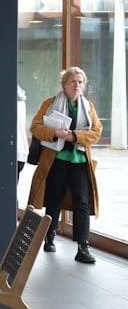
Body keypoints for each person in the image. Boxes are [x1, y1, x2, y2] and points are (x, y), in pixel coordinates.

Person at [28, 67, 102, 264]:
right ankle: (49, 235)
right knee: (54, 199)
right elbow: (35, 127)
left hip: (79, 161)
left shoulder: (88, 107)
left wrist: (75, 136)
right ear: (65, 84)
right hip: (56, 160)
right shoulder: (50, 104)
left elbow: (96, 132)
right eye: (73, 81)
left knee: (82, 202)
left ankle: (83, 246)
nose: (77, 85)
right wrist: (56, 133)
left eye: (80, 82)